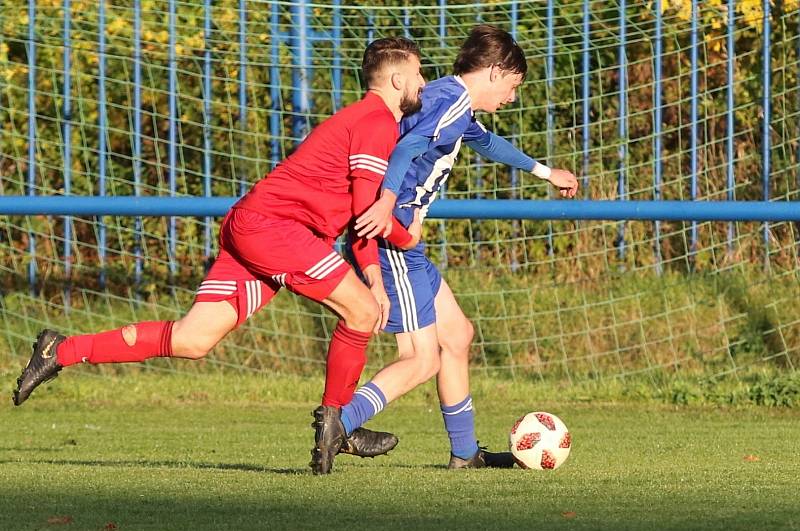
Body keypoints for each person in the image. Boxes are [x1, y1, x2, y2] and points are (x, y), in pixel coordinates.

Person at [13, 37, 426, 475]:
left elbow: (360, 221)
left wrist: (376, 279)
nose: (423, 81)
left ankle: (62, 350)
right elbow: (370, 210)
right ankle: (337, 423)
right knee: (361, 314)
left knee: (193, 339)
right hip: (278, 229)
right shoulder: (377, 120)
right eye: (419, 73)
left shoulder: (367, 119)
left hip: (255, 225)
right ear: (397, 78)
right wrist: (407, 238)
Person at [311, 25, 579, 473]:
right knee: (420, 358)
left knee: (457, 335)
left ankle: (465, 453)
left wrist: (546, 172)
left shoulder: (448, 101)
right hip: (394, 238)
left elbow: (488, 143)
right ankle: (341, 422)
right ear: (495, 72)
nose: (512, 98)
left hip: (402, 239)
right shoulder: (447, 102)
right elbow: (406, 150)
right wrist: (389, 202)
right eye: (513, 86)